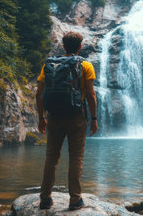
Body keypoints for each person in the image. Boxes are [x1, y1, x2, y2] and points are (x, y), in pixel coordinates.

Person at [35, 31, 98, 210]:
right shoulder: (86, 65)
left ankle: (45, 199)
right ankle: (75, 199)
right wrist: (93, 118)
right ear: (80, 47)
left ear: (63, 46)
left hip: (54, 116)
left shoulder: (49, 65)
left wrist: (41, 117)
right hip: (77, 116)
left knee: (51, 158)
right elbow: (91, 94)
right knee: (76, 157)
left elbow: (39, 94)